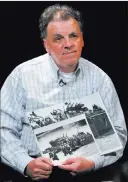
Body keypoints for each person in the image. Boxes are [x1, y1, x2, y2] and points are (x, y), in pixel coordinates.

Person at [1, 4, 127, 182]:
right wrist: (25, 164)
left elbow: (118, 133)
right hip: (32, 173)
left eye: (73, 36)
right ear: (46, 44)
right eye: (58, 38)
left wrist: (92, 163)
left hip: (88, 173)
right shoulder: (21, 76)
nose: (68, 44)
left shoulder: (100, 79)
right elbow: (3, 130)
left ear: (82, 39)